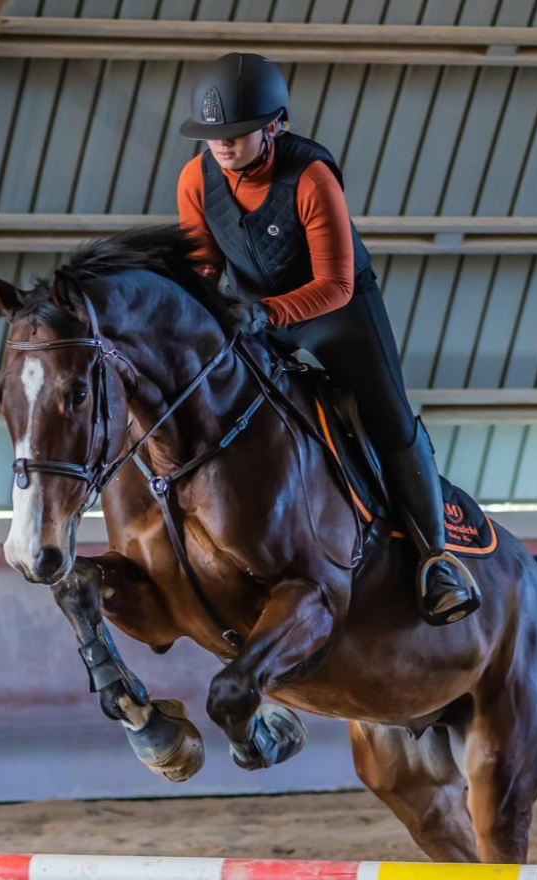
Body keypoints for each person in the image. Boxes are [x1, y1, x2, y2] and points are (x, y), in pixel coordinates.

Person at [176, 52, 480, 627]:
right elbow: (205, 269)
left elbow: (335, 284)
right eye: (214, 135)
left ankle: (435, 559)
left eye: (237, 134)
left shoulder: (310, 177)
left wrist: (267, 314)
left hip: (337, 309)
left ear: (274, 126)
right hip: (252, 311)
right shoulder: (196, 178)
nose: (223, 145)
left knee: (388, 415)